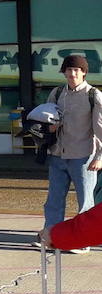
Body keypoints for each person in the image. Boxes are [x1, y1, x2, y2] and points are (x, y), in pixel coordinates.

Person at [41, 54, 102, 255]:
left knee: (85, 202)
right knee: (54, 200)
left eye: (76, 70)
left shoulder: (94, 96)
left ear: (84, 72)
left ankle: (83, 241)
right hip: (58, 154)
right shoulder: (57, 93)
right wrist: (49, 128)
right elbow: (46, 121)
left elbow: (101, 130)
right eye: (68, 70)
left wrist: (100, 157)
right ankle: (50, 236)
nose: (72, 74)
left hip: (83, 156)